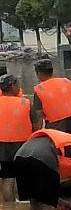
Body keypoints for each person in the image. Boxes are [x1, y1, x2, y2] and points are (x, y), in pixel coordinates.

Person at [31, 57, 71, 136]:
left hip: (55, 130)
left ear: (38, 73)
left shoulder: (39, 89)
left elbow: (39, 116)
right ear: (52, 71)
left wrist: (37, 134)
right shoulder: (66, 82)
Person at [0, 74, 33, 202]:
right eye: (17, 84)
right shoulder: (25, 102)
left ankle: (10, 208)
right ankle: (26, 203)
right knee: (25, 176)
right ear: (13, 86)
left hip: (2, 144)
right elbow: (36, 124)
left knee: (7, 178)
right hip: (23, 144)